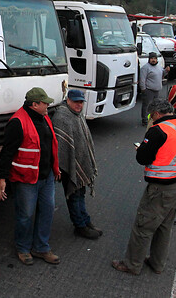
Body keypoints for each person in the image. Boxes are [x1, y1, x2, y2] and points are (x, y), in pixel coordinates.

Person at [112, 99, 176, 275]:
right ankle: (157, 263)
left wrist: (141, 148)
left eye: (152, 115)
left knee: (144, 226)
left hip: (161, 188)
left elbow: (143, 158)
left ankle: (132, 264)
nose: (151, 118)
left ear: (156, 114)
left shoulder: (157, 131)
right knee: (164, 226)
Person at [0, 87, 62, 266]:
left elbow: (50, 145)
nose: (48, 105)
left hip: (46, 176)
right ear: (34, 105)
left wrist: (55, 169)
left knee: (47, 210)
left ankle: (41, 248)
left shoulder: (45, 117)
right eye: (44, 103)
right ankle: (23, 248)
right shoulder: (17, 123)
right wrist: (2, 179)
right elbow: (7, 153)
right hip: (26, 180)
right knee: (25, 214)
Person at [52, 89, 102, 240]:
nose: (79, 105)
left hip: (80, 161)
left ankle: (86, 221)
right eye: (76, 102)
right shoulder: (62, 116)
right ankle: (79, 226)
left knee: (81, 194)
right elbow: (62, 145)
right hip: (68, 164)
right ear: (68, 100)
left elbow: (84, 138)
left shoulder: (77, 114)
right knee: (74, 195)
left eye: (81, 102)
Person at [139, 52, 170, 126]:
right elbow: (142, 79)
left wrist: (166, 71)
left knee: (155, 105)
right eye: (152, 58)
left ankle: (153, 119)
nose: (153, 60)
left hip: (157, 90)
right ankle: (145, 119)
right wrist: (143, 89)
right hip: (149, 90)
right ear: (149, 59)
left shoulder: (159, 67)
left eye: (155, 58)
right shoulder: (145, 68)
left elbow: (162, 74)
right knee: (147, 105)